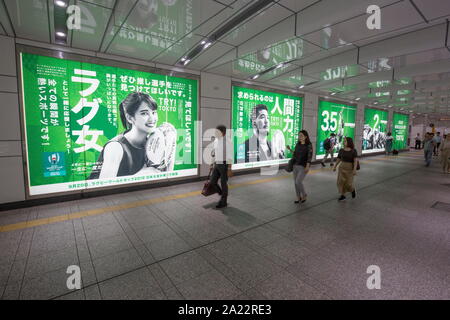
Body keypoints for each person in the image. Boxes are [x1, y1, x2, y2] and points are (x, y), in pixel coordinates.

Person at [89, 92, 168, 179]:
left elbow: (165, 175)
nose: (152, 119)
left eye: (153, 112)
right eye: (144, 113)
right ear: (130, 118)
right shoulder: (115, 147)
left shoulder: (152, 142)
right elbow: (103, 187)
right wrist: (141, 175)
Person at [210, 125, 233, 208]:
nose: (215, 133)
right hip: (217, 164)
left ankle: (223, 202)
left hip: (224, 165)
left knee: (223, 183)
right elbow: (214, 153)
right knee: (212, 182)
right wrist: (212, 164)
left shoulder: (228, 142)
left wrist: (229, 169)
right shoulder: (216, 140)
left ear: (223, 133)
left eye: (217, 132)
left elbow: (230, 156)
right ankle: (222, 193)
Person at [286, 130, 312, 204]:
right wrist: (290, 149)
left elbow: (309, 156)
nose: (299, 137)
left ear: (305, 137)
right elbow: (295, 154)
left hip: (303, 166)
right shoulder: (298, 144)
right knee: (295, 183)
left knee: (298, 181)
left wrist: (307, 166)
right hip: (295, 165)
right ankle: (298, 197)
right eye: (299, 135)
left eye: (301, 136)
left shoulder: (308, 145)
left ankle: (304, 195)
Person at [333, 137, 358, 201]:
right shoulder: (341, 150)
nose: (343, 142)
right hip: (342, 168)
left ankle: (352, 190)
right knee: (340, 182)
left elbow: (355, 161)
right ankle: (343, 195)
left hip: (350, 169)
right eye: (343, 141)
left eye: (345, 141)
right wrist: (335, 166)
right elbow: (339, 159)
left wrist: (354, 169)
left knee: (348, 184)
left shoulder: (353, 151)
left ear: (349, 142)